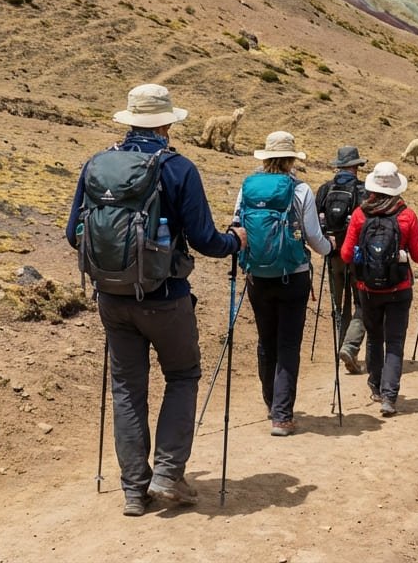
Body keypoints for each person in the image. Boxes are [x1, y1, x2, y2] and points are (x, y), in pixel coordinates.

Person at [66, 84, 246, 516]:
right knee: (183, 375)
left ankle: (133, 490)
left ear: (129, 122)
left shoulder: (97, 165)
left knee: (127, 387)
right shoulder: (179, 168)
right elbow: (205, 240)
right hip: (166, 297)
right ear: (166, 124)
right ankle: (167, 474)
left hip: (111, 297)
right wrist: (234, 241)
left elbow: (74, 233)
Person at [237, 132, 332, 437]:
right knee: (289, 344)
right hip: (294, 275)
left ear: (264, 158)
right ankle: (282, 415)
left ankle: (270, 402)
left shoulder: (247, 187)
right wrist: (329, 249)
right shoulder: (300, 189)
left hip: (258, 276)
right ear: (292, 159)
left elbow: (238, 226)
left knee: (267, 340)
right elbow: (314, 237)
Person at [339, 161, 418, 416]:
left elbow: (346, 254)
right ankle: (389, 397)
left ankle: (376, 386)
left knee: (374, 336)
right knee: (394, 341)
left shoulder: (360, 214)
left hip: (366, 288)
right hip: (399, 288)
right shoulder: (406, 215)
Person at [315, 145, 368, 374]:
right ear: (356, 166)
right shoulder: (363, 190)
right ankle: (350, 347)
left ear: (339, 166)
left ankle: (340, 346)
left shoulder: (325, 189)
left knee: (339, 304)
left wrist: (327, 244)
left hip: (333, 254)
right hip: (356, 256)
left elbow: (315, 221)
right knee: (362, 303)